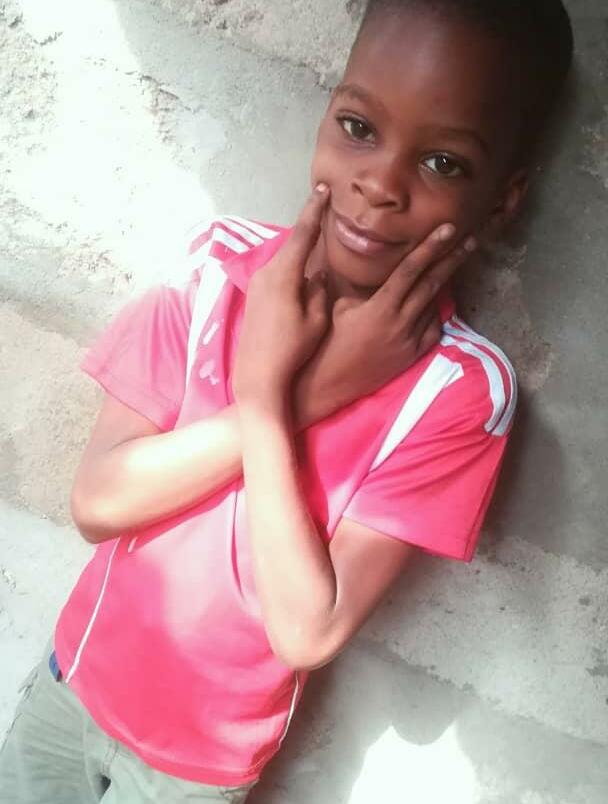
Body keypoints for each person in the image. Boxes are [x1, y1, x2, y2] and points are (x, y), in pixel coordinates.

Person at [0, 0, 574, 802]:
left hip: (192, 772)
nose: (379, 184)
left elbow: (307, 628)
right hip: (71, 686)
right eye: (358, 127)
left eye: (443, 163)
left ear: (505, 198)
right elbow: (98, 502)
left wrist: (271, 401)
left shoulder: (459, 391)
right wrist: (310, 391)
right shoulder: (216, 268)